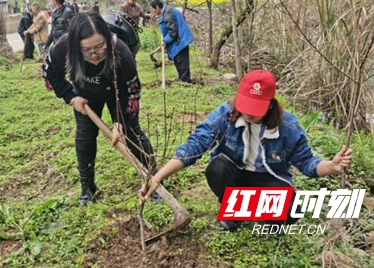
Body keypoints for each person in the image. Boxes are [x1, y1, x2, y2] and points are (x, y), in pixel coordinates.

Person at [139, 70, 353, 231]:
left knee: (291, 210)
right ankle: (234, 210)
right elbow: (195, 146)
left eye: (256, 109)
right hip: (235, 174)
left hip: (268, 178)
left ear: (269, 105)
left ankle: (243, 207)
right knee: (217, 167)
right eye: (245, 106)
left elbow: (307, 163)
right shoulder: (225, 114)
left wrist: (331, 166)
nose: (248, 114)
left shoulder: (288, 128)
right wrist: (157, 177)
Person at [43, 12, 159, 205]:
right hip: (84, 95)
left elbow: (132, 91)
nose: (95, 54)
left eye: (100, 47)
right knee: (85, 135)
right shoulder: (62, 48)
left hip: (118, 91)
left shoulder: (121, 51)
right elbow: (50, 75)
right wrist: (71, 97)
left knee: (132, 133)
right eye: (87, 50)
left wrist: (121, 122)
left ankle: (154, 181)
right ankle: (88, 188)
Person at [150, 0, 194, 83]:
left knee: (181, 60)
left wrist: (166, 40)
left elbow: (173, 31)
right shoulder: (167, 11)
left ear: (157, 7)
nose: (154, 12)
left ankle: (185, 80)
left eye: (153, 10)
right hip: (178, 39)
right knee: (177, 60)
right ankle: (181, 78)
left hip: (180, 39)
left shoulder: (167, 14)